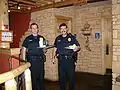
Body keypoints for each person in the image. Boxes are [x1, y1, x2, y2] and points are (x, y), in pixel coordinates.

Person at [53, 23, 80, 90]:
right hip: (61, 61)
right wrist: (53, 57)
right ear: (60, 30)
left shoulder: (71, 37)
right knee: (62, 78)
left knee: (71, 78)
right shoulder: (57, 38)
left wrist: (77, 48)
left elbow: (78, 46)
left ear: (67, 29)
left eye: (64, 28)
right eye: (61, 29)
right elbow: (55, 48)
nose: (63, 30)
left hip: (70, 60)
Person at [22, 23, 47, 90]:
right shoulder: (27, 39)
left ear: (38, 29)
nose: (34, 30)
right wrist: (24, 61)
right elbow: (24, 50)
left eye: (36, 28)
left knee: (41, 77)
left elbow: (44, 50)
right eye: (33, 28)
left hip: (40, 60)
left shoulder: (42, 38)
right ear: (31, 29)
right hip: (31, 61)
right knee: (33, 78)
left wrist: (44, 49)